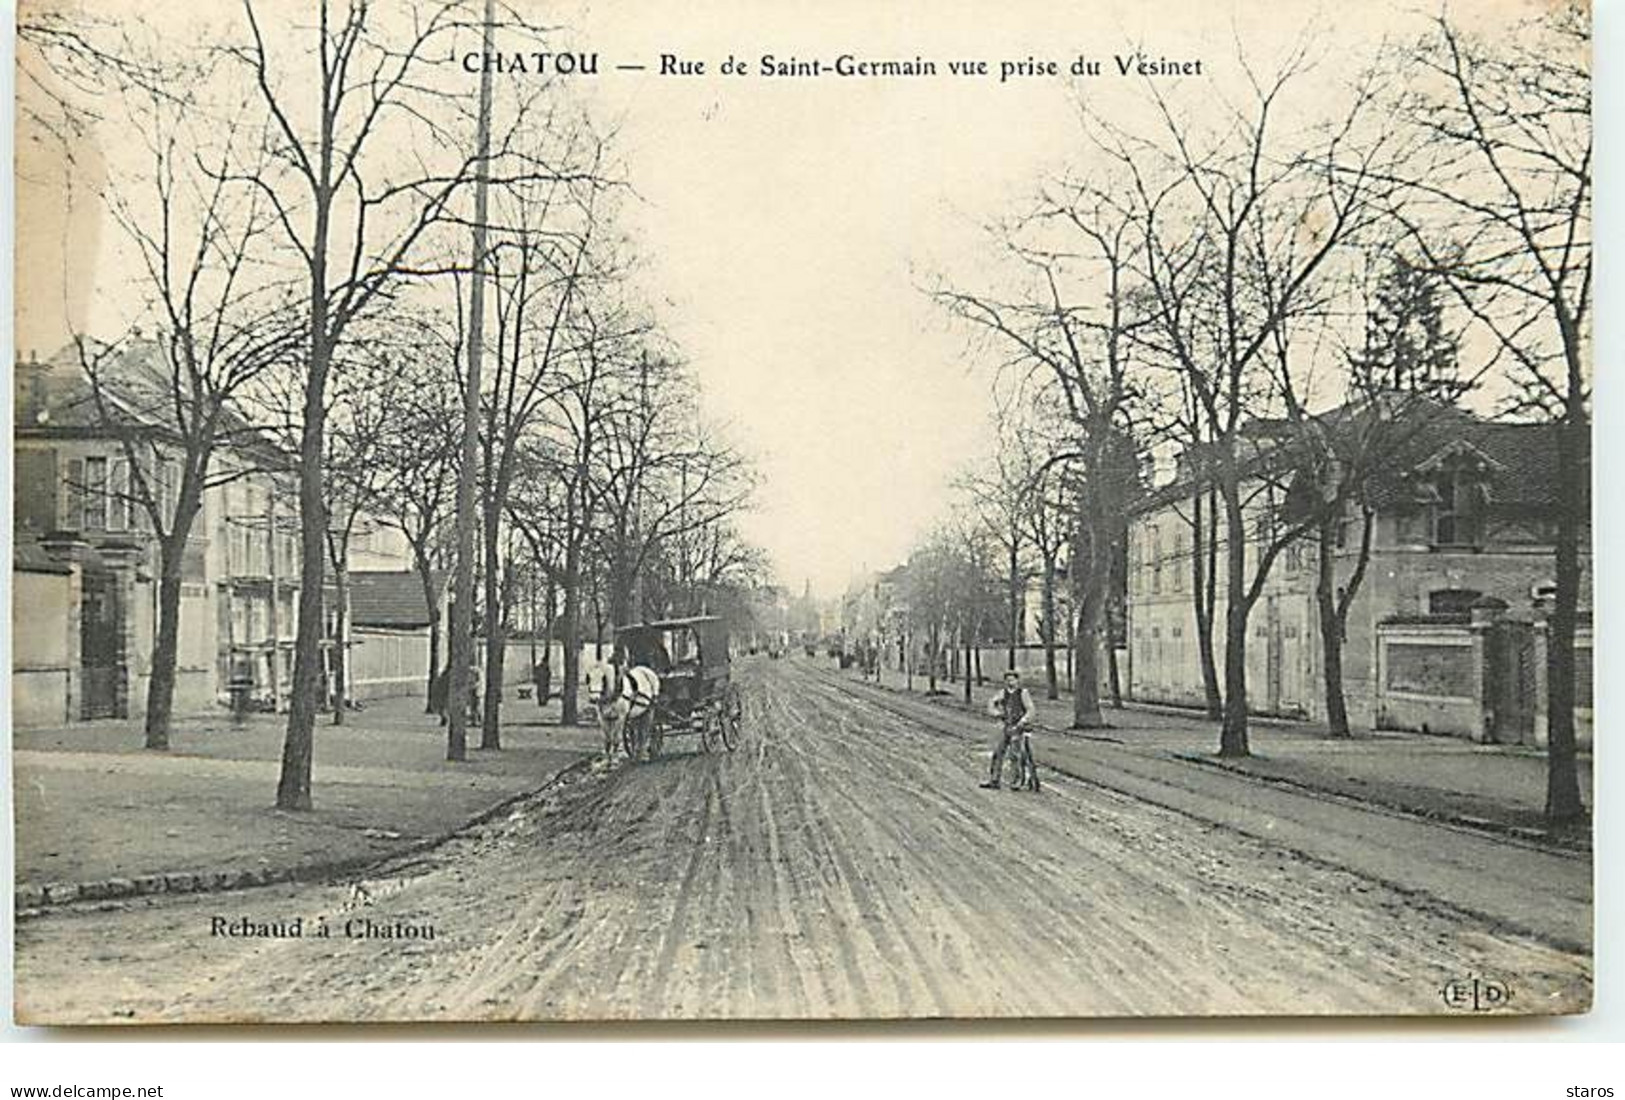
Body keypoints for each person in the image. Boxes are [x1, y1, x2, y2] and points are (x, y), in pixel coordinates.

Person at [982, 669, 1038, 791]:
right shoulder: (1002, 693)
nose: (1010, 682)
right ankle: (994, 780)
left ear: (1017, 680)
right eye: (1007, 679)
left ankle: (1016, 781)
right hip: (1005, 726)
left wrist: (1023, 721)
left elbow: (1031, 710)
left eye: (1012, 679)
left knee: (1015, 755)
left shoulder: (1023, 693)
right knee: (998, 752)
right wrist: (996, 713)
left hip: (1018, 727)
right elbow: (991, 703)